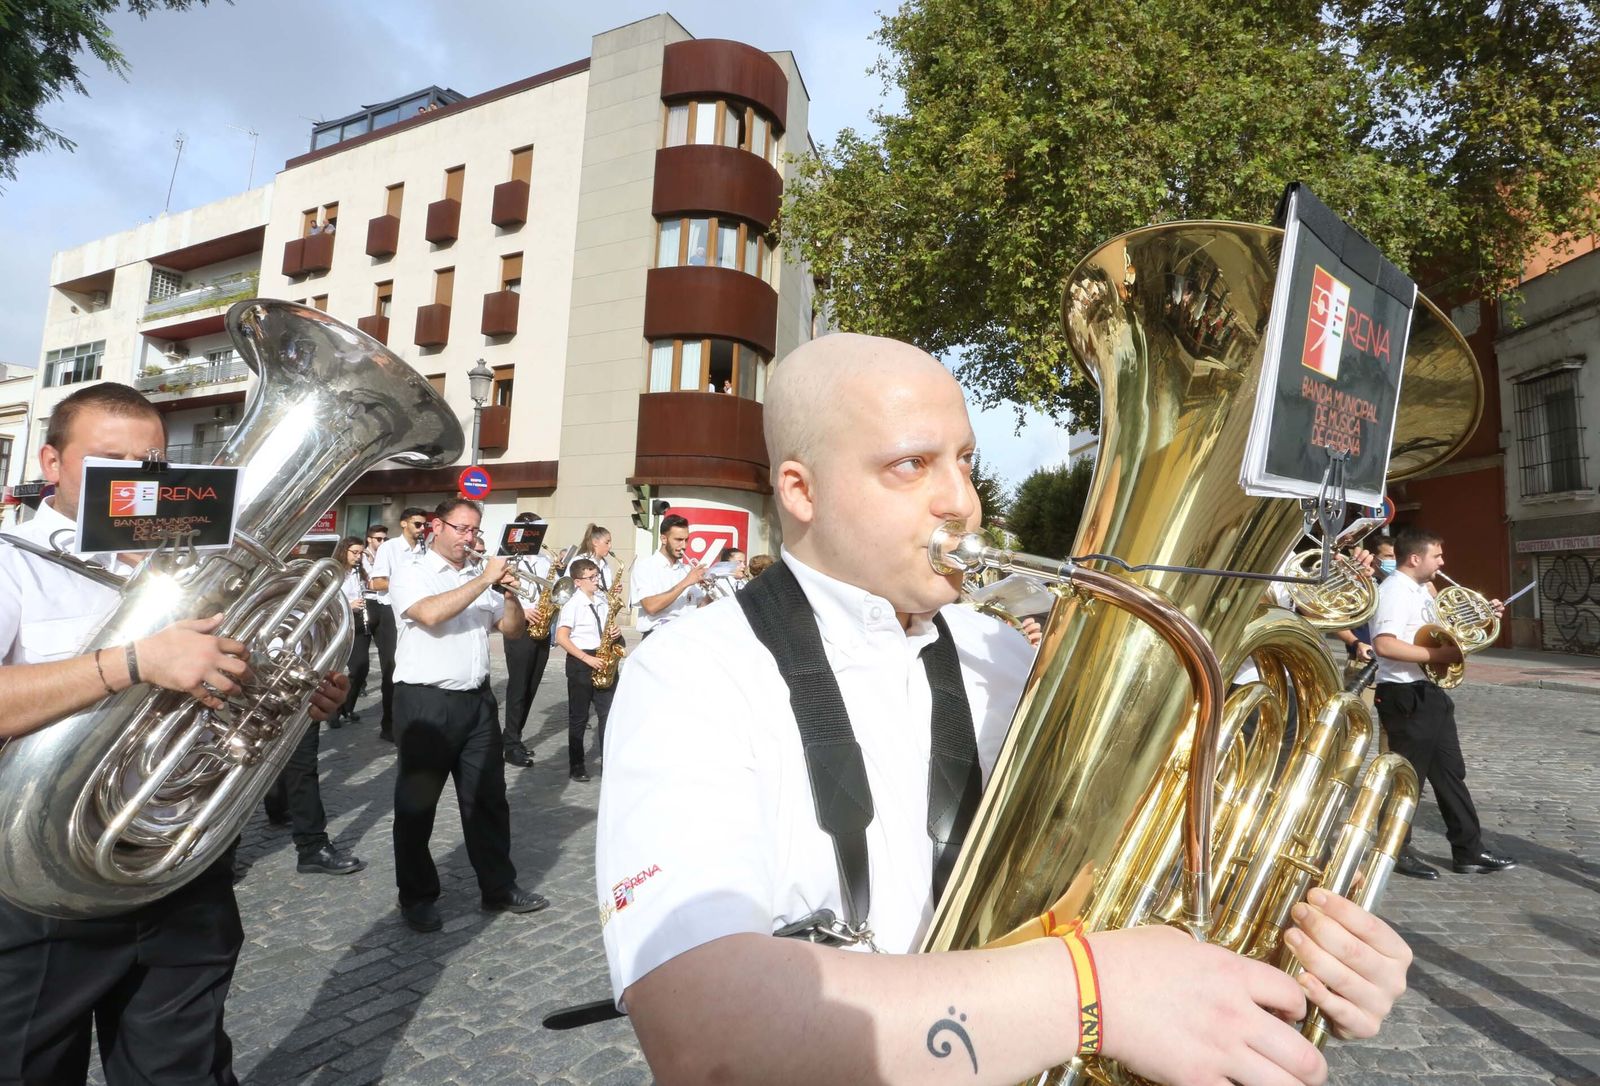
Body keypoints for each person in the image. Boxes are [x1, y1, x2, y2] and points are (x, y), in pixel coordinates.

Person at [595, 334, 1411, 1086]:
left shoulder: (1007, 655)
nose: (963, 501)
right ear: (801, 491)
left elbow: (1147, 894)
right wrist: (1095, 990)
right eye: (911, 466)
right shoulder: (693, 672)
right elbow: (705, 1033)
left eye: (965, 461)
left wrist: (1303, 952)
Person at [0, 382, 347, 1085]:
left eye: (150, 463)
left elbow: (214, 686)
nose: (133, 478)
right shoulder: (13, 562)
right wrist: (134, 661)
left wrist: (282, 688)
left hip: (178, 866)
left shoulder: (200, 568)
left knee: (184, 1071)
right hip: (41, 883)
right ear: (52, 462)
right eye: (108, 459)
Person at [387, 498, 549, 932]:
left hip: (476, 703)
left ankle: (498, 886)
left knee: (488, 801)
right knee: (417, 804)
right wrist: (485, 580)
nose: (469, 538)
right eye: (461, 529)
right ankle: (417, 897)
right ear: (436, 526)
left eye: (475, 531)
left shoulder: (477, 576)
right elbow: (431, 614)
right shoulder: (412, 571)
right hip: (425, 702)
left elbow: (511, 630)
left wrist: (509, 595)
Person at [1371, 527, 1516, 881]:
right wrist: (1439, 654)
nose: (1443, 562)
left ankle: (1468, 850)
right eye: (1437, 555)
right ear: (1415, 558)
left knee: (1451, 775)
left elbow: (1446, 629)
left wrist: (1484, 616)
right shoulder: (1393, 591)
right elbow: (1385, 645)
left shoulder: (1423, 590)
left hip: (1430, 693)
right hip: (1404, 694)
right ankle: (1393, 851)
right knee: (1407, 780)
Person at [369, 506, 431, 742]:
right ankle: (390, 724)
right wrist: (406, 582)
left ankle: (414, 719)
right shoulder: (389, 547)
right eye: (418, 524)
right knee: (391, 670)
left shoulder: (424, 549)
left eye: (424, 525)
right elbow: (377, 582)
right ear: (404, 523)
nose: (422, 529)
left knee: (417, 667)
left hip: (416, 612)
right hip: (390, 612)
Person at [553, 557, 616, 783]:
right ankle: (577, 765)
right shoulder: (572, 604)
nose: (596, 581)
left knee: (607, 714)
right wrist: (586, 659)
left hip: (602, 657)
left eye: (597, 575)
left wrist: (615, 635)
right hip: (581, 661)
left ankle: (609, 761)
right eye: (591, 578)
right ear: (578, 581)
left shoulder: (602, 601)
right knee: (579, 717)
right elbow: (561, 637)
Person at [502, 512, 553, 769]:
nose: (540, 536)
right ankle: (510, 744)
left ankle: (514, 737)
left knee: (531, 688)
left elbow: (549, 590)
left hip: (541, 627)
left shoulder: (544, 560)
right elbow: (501, 591)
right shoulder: (509, 557)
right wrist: (524, 609)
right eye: (536, 531)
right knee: (518, 687)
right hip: (519, 627)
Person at [629, 514, 704, 638]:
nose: (684, 546)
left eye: (686, 540)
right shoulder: (645, 567)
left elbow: (699, 608)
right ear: (664, 539)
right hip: (657, 637)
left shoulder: (687, 570)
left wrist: (711, 593)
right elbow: (651, 607)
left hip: (685, 637)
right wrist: (686, 582)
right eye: (678, 540)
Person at [337, 535, 372, 724]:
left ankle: (347, 707)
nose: (358, 557)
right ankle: (335, 709)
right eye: (355, 552)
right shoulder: (336, 572)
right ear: (345, 551)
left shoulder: (361, 572)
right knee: (338, 668)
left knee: (361, 667)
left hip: (359, 623)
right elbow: (330, 598)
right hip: (341, 622)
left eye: (361, 553)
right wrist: (349, 605)